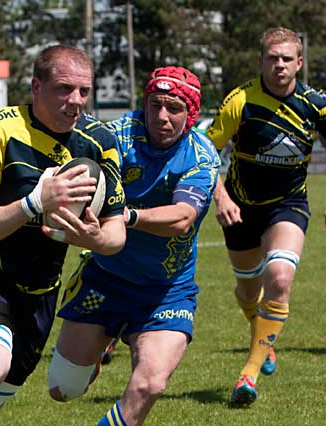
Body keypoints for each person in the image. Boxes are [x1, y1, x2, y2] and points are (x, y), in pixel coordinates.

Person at [0, 45, 126, 426]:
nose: (75, 101)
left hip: (42, 289)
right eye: (64, 89)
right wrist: (34, 202)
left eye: (84, 91)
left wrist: (92, 237)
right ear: (36, 86)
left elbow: (116, 236)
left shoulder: (99, 141)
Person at [47, 66, 220, 426]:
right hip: (106, 278)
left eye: (174, 108)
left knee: (150, 385)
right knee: (62, 389)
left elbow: (182, 218)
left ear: (191, 114)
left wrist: (128, 217)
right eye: (155, 104)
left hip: (165, 291)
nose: (161, 116)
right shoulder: (117, 135)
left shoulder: (201, 155)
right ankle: (100, 346)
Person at [207, 27, 326, 405]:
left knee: (280, 277)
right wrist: (220, 197)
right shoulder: (240, 102)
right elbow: (205, 155)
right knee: (247, 290)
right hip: (239, 208)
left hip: (288, 206)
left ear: (299, 62)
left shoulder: (318, 104)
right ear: (262, 61)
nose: (280, 64)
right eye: (273, 57)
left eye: (287, 58)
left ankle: (247, 376)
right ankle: (262, 337)